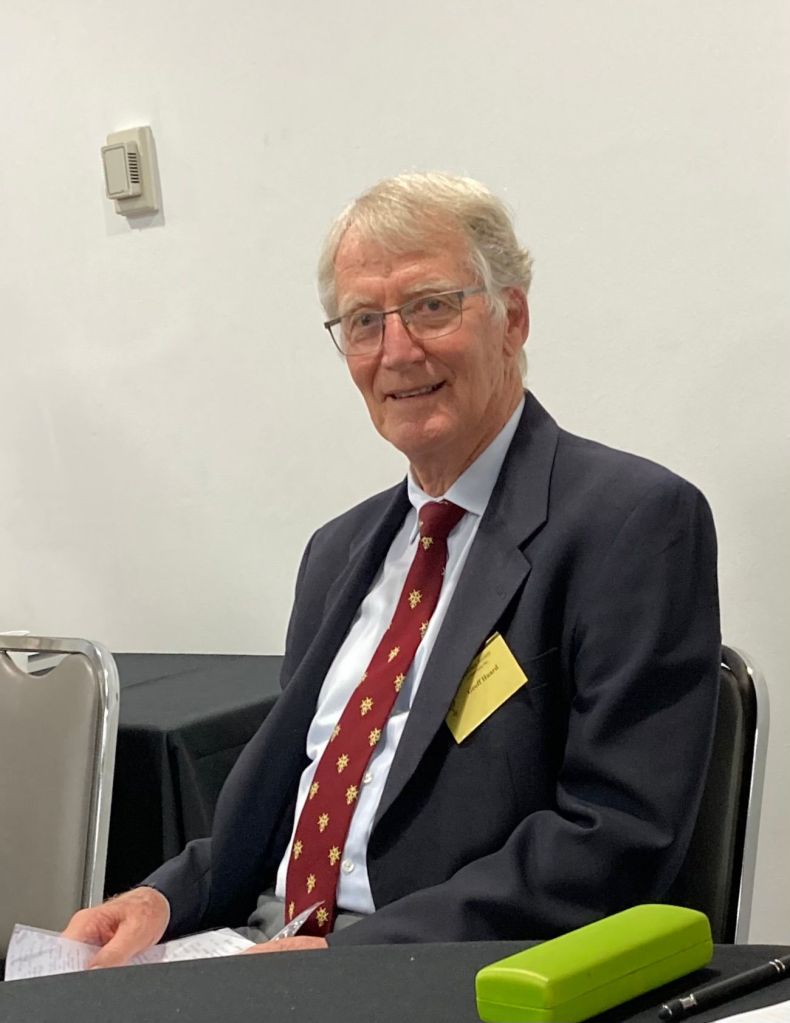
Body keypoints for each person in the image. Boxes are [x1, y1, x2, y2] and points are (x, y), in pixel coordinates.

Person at [64, 172, 720, 964]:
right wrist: (163, 898)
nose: (397, 351)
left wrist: (355, 959)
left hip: (442, 971)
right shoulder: (336, 551)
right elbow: (278, 811)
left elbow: (614, 837)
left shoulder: (631, 524)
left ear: (512, 317)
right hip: (267, 954)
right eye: (364, 322)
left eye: (432, 306)